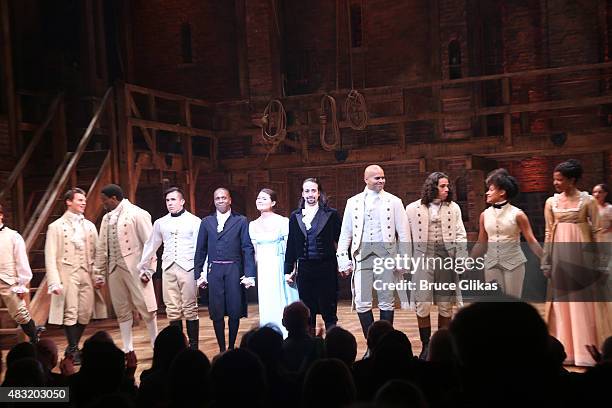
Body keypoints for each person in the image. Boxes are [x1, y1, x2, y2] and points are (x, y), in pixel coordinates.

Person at [542, 159, 610, 366]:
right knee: (563, 303)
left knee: (582, 303)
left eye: (560, 179)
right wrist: (547, 260)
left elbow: (598, 231)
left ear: (572, 180)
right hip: (561, 255)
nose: (556, 183)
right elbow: (548, 231)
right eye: (554, 179)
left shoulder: (587, 201)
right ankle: (566, 351)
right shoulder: (550, 202)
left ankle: (586, 352)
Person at [337, 165, 411, 339]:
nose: (381, 181)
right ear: (366, 179)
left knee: (386, 299)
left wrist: (403, 259)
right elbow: (346, 233)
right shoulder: (353, 202)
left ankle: (385, 343)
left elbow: (404, 233)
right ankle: (372, 344)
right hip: (362, 256)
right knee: (362, 301)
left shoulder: (394, 201)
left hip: (386, 256)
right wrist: (342, 258)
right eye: (377, 178)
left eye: (383, 177)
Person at [406, 172, 467, 359]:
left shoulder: (453, 208)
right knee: (422, 303)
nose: (447, 189)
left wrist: (462, 257)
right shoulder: (412, 208)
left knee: (445, 304)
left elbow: (460, 234)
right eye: (442, 186)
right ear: (432, 187)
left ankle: (442, 347)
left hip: (446, 258)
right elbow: (405, 238)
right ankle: (425, 346)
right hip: (422, 258)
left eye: (448, 186)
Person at [94, 184, 158, 353]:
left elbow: (150, 244)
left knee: (146, 307)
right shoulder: (107, 219)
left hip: (135, 267)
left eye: (105, 200)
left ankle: (155, 344)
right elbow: (102, 247)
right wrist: (99, 273)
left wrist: (149, 269)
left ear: (114, 198)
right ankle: (128, 347)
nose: (103, 204)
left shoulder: (137, 213)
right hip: (114, 268)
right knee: (121, 309)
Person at [45, 188, 106, 361]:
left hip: (86, 272)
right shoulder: (55, 227)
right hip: (67, 273)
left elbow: (97, 253)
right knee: (70, 312)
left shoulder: (89, 226)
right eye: (79, 200)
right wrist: (54, 281)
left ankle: (72, 347)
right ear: (68, 202)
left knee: (85, 312)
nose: (83, 203)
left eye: (84, 200)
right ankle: (73, 349)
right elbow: (50, 256)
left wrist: (98, 275)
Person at [138, 187, 201, 349]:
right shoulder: (160, 223)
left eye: (173, 200)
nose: (170, 203)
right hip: (168, 267)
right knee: (172, 309)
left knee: (190, 307)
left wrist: (201, 271)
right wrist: (143, 266)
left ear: (182, 201)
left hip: (188, 267)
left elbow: (200, 248)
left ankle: (193, 347)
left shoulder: (194, 221)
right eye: (167, 200)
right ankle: (178, 346)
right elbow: (151, 244)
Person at [194, 187, 256, 352]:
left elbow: (247, 248)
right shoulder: (206, 222)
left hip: (234, 269)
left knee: (234, 309)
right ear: (214, 201)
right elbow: (200, 250)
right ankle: (222, 348)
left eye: (223, 198)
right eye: (217, 198)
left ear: (230, 200)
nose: (220, 201)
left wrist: (249, 273)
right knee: (217, 310)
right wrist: (198, 273)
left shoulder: (241, 221)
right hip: (214, 270)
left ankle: (231, 346)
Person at [471, 168, 543, 298]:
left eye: (491, 189)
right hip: (491, 263)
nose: (487, 193)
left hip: (514, 262)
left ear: (502, 192)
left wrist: (546, 259)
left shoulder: (518, 214)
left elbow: (531, 240)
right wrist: (468, 262)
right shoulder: (484, 215)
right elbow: (481, 243)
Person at [284, 178, 342, 334]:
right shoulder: (295, 216)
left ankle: (331, 345)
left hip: (326, 267)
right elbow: (291, 244)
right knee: (307, 311)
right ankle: (310, 347)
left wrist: (344, 263)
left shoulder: (331, 214)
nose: (310, 194)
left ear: (318, 193)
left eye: (313, 191)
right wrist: (288, 270)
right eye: (307, 191)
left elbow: (341, 240)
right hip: (305, 268)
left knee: (328, 309)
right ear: (302, 194)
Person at [249, 188, 298, 338]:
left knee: (283, 299)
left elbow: (291, 248)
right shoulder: (252, 224)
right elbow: (255, 252)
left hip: (279, 262)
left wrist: (292, 270)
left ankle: (287, 333)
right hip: (264, 268)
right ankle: (269, 334)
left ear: (273, 202)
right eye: (258, 198)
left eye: (264, 198)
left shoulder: (283, 221)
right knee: (267, 300)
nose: (260, 200)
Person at [0, 203, 43, 343]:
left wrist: (22, 284)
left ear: (1, 215)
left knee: (20, 314)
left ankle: (34, 337)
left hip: (8, 280)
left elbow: (22, 261)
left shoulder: (13, 236)